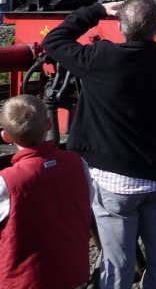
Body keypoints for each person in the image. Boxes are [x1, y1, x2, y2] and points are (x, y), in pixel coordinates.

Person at [41, 0, 156, 289]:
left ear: (121, 26)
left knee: (117, 263)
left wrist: (95, 10)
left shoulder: (100, 58)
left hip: (113, 183)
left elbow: (53, 40)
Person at [0, 95, 93, 289]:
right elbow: (87, 203)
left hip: (26, 281)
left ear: (6, 137)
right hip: (74, 274)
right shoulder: (78, 164)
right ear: (49, 124)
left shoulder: (6, 181)